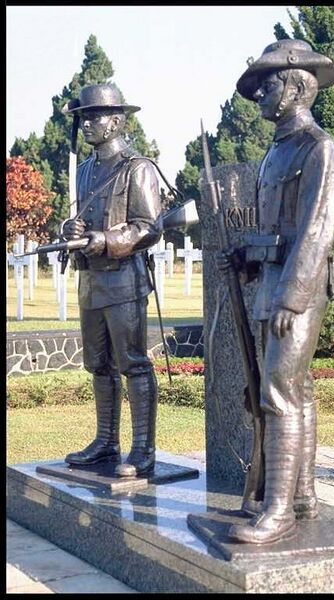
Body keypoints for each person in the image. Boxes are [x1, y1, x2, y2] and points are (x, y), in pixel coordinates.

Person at [217, 39, 334, 544]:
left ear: (294, 86)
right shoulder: (276, 153)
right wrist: (245, 256)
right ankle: (303, 494)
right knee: (296, 391)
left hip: (297, 288)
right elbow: (278, 228)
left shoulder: (319, 148)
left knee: (276, 394)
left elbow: (316, 229)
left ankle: (278, 511)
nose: (260, 96)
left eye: (266, 86)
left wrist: (292, 296)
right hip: (270, 280)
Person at [61, 83, 162, 478]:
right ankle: (106, 442)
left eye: (95, 116)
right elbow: (78, 218)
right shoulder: (84, 170)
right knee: (98, 365)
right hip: (90, 283)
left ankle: (142, 450)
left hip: (123, 282)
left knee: (133, 364)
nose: (87, 123)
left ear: (117, 121)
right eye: (84, 117)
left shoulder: (138, 168)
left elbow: (149, 228)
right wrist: (72, 228)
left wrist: (104, 240)